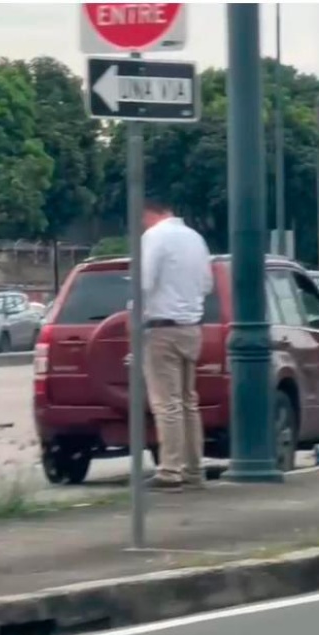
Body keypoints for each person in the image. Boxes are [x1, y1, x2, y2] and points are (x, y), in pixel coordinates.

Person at [139, 197, 213, 492]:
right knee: (188, 402)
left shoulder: (154, 236)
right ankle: (194, 469)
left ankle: (170, 470)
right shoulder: (195, 238)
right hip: (191, 328)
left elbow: (144, 282)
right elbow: (207, 284)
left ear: (149, 212)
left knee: (166, 403)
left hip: (162, 327)